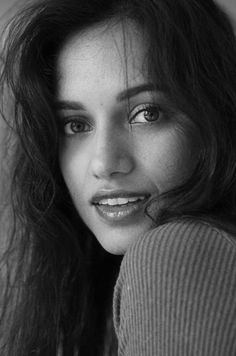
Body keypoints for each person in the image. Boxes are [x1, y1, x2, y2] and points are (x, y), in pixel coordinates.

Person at [0, 0, 236, 355]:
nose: (103, 163)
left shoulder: (179, 253)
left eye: (147, 113)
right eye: (75, 125)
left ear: (213, 119)